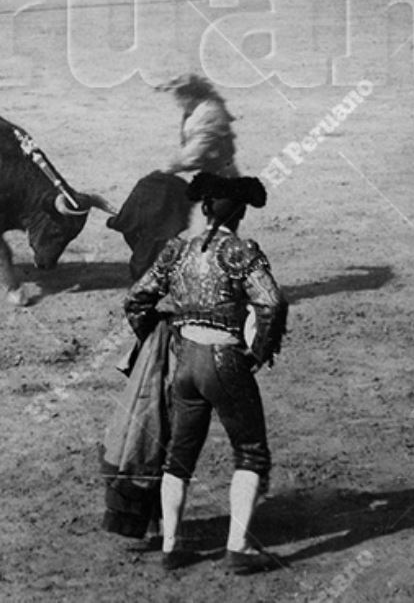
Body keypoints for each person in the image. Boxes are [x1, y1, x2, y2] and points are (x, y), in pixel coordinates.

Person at [123, 172, 288, 575]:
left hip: (185, 362)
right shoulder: (240, 251)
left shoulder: (177, 250)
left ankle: (172, 547)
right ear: (242, 212)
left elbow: (136, 300)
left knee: (178, 457)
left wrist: (158, 341)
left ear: (206, 207)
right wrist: (257, 352)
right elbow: (273, 303)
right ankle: (238, 550)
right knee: (251, 452)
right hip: (225, 360)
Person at [160, 73, 240, 179]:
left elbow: (194, 153)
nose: (178, 104)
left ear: (189, 97)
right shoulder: (204, 109)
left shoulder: (209, 113)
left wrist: (168, 168)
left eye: (179, 98)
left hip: (220, 175)